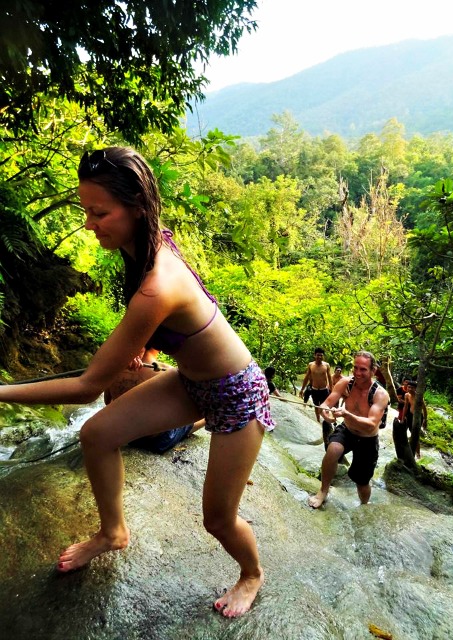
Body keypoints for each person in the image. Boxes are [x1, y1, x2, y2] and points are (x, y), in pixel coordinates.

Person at [0, 146, 275, 618]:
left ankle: (252, 573)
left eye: (100, 212)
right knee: (97, 433)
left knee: (218, 519)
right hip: (191, 381)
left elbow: (87, 387)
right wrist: (148, 347)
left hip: (235, 393)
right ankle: (113, 533)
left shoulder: (156, 286)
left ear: (137, 207)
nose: (90, 223)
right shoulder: (148, 243)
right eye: (86, 210)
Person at [308, 351, 389, 509]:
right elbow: (327, 403)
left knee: (362, 481)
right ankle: (323, 491)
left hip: (368, 438)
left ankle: (364, 505)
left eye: (363, 369)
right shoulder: (346, 383)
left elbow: (372, 424)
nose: (358, 373)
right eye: (355, 368)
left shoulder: (380, 394)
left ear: (373, 371)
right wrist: (325, 412)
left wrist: (346, 414)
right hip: (348, 430)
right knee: (333, 450)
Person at [104, 350, 205, 453]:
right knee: (192, 420)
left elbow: (107, 401)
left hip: (125, 435)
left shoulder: (117, 367)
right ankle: (206, 419)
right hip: (157, 441)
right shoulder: (168, 372)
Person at [299, 348, 332, 423]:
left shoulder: (326, 365)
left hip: (324, 389)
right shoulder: (311, 365)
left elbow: (330, 378)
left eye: (321, 355)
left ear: (323, 356)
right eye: (318, 355)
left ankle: (326, 421)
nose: (319, 357)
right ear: (315, 355)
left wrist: (332, 390)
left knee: (326, 406)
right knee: (316, 406)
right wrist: (302, 389)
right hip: (314, 389)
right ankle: (318, 421)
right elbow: (306, 377)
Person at [403, 381, 427, 458]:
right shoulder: (407, 395)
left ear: (415, 388)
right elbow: (406, 406)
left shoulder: (419, 396)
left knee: (415, 435)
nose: (409, 389)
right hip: (409, 415)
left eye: (412, 387)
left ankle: (418, 454)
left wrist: (425, 420)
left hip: (418, 416)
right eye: (409, 387)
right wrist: (403, 417)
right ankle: (407, 451)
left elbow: (424, 409)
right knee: (405, 432)